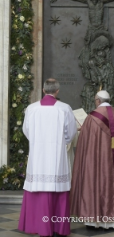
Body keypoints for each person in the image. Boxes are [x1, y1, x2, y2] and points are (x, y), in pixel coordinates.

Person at [18, 78, 77, 237]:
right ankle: (58, 227)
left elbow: (27, 131)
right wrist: (58, 142)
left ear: (43, 90)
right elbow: (71, 133)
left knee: (38, 187)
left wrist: (38, 141)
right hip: (56, 157)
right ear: (57, 91)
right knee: (57, 189)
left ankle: (37, 225)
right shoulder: (64, 108)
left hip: (38, 156)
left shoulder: (32, 108)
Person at [70, 90, 114, 229]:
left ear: (98, 101)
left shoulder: (92, 118)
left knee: (96, 181)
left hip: (97, 162)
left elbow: (84, 145)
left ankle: (95, 220)